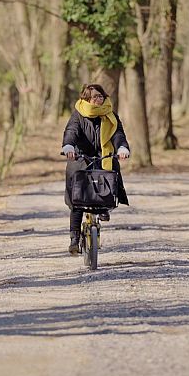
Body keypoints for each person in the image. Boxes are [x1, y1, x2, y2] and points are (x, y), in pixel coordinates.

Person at [62, 84, 130, 254]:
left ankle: (104, 209)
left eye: (101, 96)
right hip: (80, 157)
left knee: (107, 184)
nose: (99, 99)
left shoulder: (110, 114)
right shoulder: (78, 114)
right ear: (86, 99)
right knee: (76, 201)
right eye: (95, 97)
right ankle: (74, 239)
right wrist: (69, 146)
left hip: (103, 157)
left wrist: (122, 148)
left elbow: (118, 134)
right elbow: (71, 131)